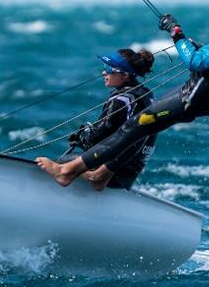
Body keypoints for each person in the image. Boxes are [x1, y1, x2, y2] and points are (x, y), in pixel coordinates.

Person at [37, 0, 209, 186]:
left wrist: (176, 34)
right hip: (199, 95)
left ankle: (68, 171)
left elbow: (195, 61)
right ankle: (101, 174)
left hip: (192, 99)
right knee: (143, 126)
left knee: (134, 125)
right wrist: (194, 45)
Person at [57, 48, 157, 191]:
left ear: (125, 75)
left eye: (108, 68)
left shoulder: (120, 100)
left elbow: (97, 137)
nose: (103, 72)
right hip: (129, 174)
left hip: (111, 173)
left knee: (62, 162)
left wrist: (82, 138)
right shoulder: (147, 94)